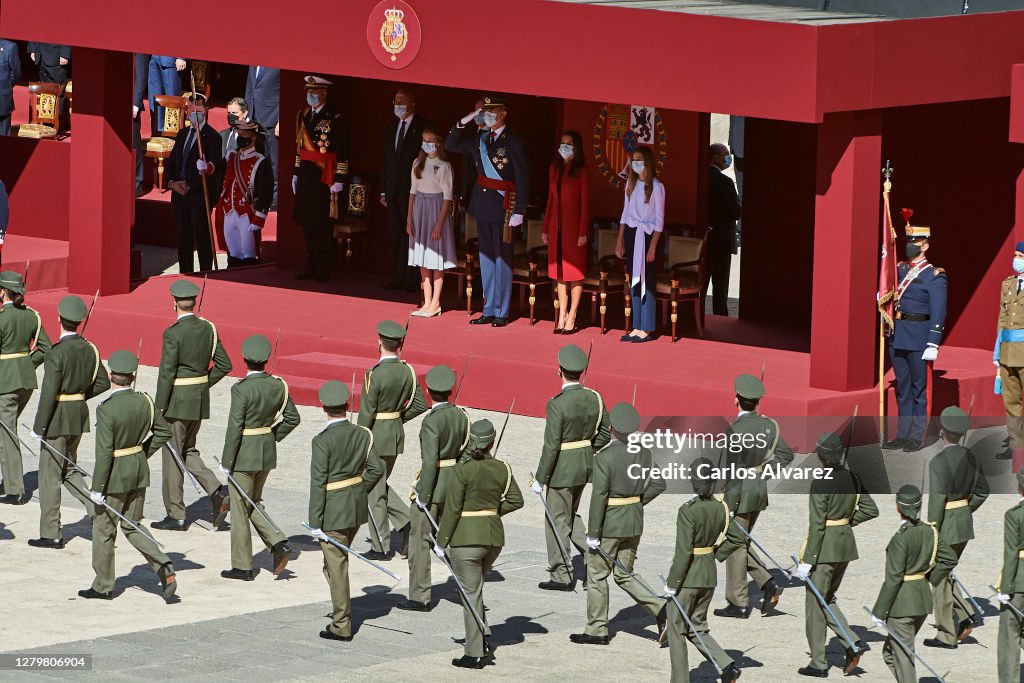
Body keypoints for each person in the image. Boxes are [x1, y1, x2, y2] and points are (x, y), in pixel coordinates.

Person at [80, 350, 176, 602]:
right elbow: (163, 432)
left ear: (111, 375)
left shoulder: (107, 408)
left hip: (114, 478)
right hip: (138, 470)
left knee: (103, 530)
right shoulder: (145, 400)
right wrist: (142, 452)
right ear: (133, 376)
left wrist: (97, 487)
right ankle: (163, 564)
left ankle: (103, 585)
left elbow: (104, 453)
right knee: (133, 525)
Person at [570, 402, 665, 645]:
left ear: (611, 427)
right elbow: (658, 484)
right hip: (633, 520)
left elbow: (599, 496)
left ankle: (597, 629)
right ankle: (661, 609)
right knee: (624, 574)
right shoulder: (644, 453)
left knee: (597, 574)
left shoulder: (605, 457)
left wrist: (594, 532)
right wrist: (636, 503)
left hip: (610, 524)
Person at [435, 418, 524, 669]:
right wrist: (491, 512)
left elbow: (452, 509)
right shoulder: (502, 468)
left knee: (469, 593)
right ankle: (482, 636)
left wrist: (442, 540)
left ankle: (475, 652)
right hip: (493, 538)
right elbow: (516, 500)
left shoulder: (462, 470)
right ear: (492, 441)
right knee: (474, 589)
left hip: (466, 540)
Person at [793, 432, 879, 677]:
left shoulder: (820, 482)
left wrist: (807, 561)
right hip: (845, 546)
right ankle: (852, 641)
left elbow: (817, 525)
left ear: (820, 456)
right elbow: (870, 510)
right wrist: (845, 523)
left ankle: (819, 663)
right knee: (827, 599)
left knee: (815, 606)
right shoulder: (853, 478)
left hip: (825, 551)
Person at [28, 295, 110, 549]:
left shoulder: (56, 352)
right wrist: (80, 396)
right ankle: (97, 510)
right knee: (69, 469)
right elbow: (104, 382)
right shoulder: (90, 349)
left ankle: (51, 532)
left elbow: (49, 392)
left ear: (59, 319)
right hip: (78, 415)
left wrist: (39, 427)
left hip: (57, 419)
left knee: (50, 476)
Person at [151, 280, 232, 531]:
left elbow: (167, 374)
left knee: (173, 455)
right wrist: (202, 385)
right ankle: (217, 490)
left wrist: (159, 408)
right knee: (188, 449)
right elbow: (224, 365)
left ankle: (176, 514)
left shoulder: (173, 333)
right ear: (193, 303)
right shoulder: (209, 328)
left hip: (176, 402)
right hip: (197, 400)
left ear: (173, 303)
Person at [308, 380, 385, 641]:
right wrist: (359, 490)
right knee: (333, 565)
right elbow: (376, 469)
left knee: (337, 566)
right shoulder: (363, 434)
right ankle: (342, 608)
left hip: (333, 512)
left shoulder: (321, 441)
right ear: (347, 405)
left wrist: (314, 521)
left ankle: (341, 624)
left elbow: (318, 483)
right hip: (354, 508)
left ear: (324, 408)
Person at [219, 334, 300, 581]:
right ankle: (277, 544)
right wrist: (271, 436)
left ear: (244, 359)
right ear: (267, 360)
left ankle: (244, 565)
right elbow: (293, 418)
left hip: (244, 454)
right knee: (252, 501)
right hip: (265, 452)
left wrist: (227, 461)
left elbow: (235, 428)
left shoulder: (241, 389)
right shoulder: (278, 385)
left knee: (241, 508)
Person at [445, 95, 529, 328]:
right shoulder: (479, 139)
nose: (488, 115)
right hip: (482, 205)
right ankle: (489, 308)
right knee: (487, 259)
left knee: (502, 259)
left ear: (504, 113)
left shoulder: (514, 142)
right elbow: (450, 145)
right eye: (485, 111)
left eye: (493, 111)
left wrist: (519, 209)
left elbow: (523, 178)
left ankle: (502, 310)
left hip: (505, 207)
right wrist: (466, 119)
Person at [715, 373, 793, 619]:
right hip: (758, 490)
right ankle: (767, 584)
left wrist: (727, 499)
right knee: (741, 539)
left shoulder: (734, 430)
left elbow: (731, 469)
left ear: (736, 399)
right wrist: (761, 474)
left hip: (739, 492)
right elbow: (785, 455)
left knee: (734, 544)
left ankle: (738, 603)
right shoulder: (769, 425)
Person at [533, 344, 610, 591]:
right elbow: (605, 434)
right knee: (571, 517)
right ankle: (593, 559)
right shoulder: (594, 397)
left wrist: (541, 477)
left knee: (556, 520)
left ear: (559, 371)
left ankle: (561, 574)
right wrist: (587, 449)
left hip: (561, 470)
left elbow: (551, 445)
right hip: (584, 466)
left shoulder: (557, 404)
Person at [662, 457, 744, 683]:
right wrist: (714, 554)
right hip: (708, 575)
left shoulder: (687, 510)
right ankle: (727, 665)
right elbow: (737, 538)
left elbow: (683, 552)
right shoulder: (721, 508)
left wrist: (672, 583)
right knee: (697, 626)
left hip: (688, 578)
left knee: (677, 629)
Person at [399, 365, 471, 612]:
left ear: (428, 390)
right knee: (452, 538)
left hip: (434, 484)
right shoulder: (461, 415)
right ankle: (468, 587)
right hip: (454, 483)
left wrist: (422, 494)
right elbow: (468, 450)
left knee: (419, 541)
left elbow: (430, 462)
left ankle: (420, 596)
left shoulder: (431, 421)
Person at [868, 485, 957, 683]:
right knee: (890, 653)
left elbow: (893, 579)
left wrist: (879, 612)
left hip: (902, 605)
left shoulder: (901, 538)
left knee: (903, 658)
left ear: (898, 507)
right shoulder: (930, 531)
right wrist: (928, 578)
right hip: (921, 600)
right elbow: (949, 559)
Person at [357, 320, 427, 559]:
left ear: (380, 342)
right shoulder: (407, 371)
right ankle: (406, 522)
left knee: (372, 492)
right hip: (395, 435)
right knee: (378, 483)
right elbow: (420, 403)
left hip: (376, 436)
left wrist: (357, 442)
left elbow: (366, 413)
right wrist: (397, 419)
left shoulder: (373, 374)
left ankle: (381, 546)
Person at [924, 405, 989, 649]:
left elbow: (937, 502)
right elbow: (983, 491)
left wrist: (932, 532)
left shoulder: (939, 462)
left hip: (947, 527)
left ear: (942, 431)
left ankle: (946, 633)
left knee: (938, 576)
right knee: (945, 571)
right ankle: (964, 615)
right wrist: (965, 509)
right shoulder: (972, 457)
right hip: (963, 523)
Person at [883, 215, 946, 453]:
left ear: (925, 245)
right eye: (908, 240)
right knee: (903, 387)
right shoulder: (898, 269)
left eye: (915, 241)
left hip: (920, 337)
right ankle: (902, 433)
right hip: (898, 334)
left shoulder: (934, 275)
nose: (910, 244)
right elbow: (887, 291)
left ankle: (916, 436)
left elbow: (939, 311)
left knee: (920, 390)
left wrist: (933, 342)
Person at [0, 271, 50, 505]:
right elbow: (44, 348)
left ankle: (15, 489)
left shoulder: (2, 318)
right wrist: (25, 364)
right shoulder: (32, 316)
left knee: (7, 433)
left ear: (2, 292)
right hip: (25, 382)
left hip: (5, 383)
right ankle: (8, 478)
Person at [292, 75, 348, 282]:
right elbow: (299, 147)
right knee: (307, 223)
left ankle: (323, 268)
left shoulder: (335, 117)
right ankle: (311, 265)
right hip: (307, 175)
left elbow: (342, 150)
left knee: (322, 225)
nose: (310, 96)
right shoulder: (304, 115)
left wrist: (340, 178)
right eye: (308, 92)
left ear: (325, 93)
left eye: (314, 92)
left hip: (325, 176)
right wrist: (296, 173)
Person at [165, 93, 223, 274]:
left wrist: (190, 185)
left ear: (204, 111)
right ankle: (185, 272)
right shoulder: (182, 134)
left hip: (198, 196)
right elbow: (172, 161)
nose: (194, 113)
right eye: (191, 109)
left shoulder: (212, 137)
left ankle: (205, 273)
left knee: (202, 238)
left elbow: (213, 167)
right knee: (183, 239)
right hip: (179, 195)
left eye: (197, 109)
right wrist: (172, 182)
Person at [205, 120, 273, 267]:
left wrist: (259, 217)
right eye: (239, 134)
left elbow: (266, 192)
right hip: (228, 211)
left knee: (248, 254)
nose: (240, 137)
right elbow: (218, 166)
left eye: (244, 134)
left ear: (253, 137)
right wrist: (207, 166)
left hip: (246, 213)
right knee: (233, 254)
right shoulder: (231, 156)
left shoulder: (260, 161)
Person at [383, 89, 431, 292]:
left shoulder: (423, 127)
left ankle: (413, 279)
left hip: (413, 191)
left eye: (403, 101)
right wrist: (384, 191)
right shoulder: (391, 126)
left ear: (413, 103)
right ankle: (397, 276)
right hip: (393, 191)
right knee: (397, 235)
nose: (398, 104)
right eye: (396, 101)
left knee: (413, 234)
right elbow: (387, 160)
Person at [543, 131, 590, 334]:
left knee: (575, 273)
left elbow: (586, 204)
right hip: (556, 228)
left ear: (576, 148)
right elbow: (550, 201)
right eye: (562, 143)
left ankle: (572, 315)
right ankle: (561, 314)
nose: (564, 147)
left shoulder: (582, 170)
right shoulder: (555, 168)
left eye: (569, 144)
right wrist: (545, 228)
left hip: (574, 229)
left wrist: (583, 231)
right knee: (559, 273)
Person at [616, 146, 665, 343]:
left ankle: (647, 327)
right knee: (634, 279)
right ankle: (636, 326)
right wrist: (619, 240)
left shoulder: (657, 186)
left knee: (647, 281)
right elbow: (625, 214)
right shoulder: (630, 182)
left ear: (647, 162)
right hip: (631, 233)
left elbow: (660, 221)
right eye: (633, 159)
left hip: (647, 235)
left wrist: (652, 247)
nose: (635, 163)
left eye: (639, 159)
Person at [407, 126, 455, 317]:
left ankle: (436, 302)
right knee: (423, 259)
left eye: (430, 141)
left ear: (438, 143)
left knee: (436, 259)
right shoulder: (417, 162)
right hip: (420, 209)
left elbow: (447, 198)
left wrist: (438, 224)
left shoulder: (444, 166)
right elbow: (412, 192)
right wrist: (409, 218)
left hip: (435, 211)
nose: (426, 144)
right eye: (423, 140)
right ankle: (426, 302)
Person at [995, 241, 1024, 470]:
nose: (1016, 259)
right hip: (1007, 352)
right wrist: (998, 349)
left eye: (1020, 256)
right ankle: (1017, 445)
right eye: (1015, 255)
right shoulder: (1008, 284)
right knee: (1011, 402)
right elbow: (1002, 319)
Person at [994, 467, 1024, 682]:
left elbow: (1011, 553)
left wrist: (1006, 588)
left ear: (1018, 488)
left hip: (1020, 581)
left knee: (1009, 634)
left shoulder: (1014, 515)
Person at [705, 143, 741, 317]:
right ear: (715, 158)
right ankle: (720, 320)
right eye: (726, 155)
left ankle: (696, 315)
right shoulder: (725, 182)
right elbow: (735, 211)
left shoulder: (699, 177)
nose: (729, 158)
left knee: (701, 283)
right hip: (722, 241)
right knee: (720, 288)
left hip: (703, 240)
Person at [245, 65, 280, 204]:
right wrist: (247, 114)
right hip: (255, 118)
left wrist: (280, 120)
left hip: (272, 117)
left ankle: (275, 197)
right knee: (259, 159)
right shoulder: (253, 64)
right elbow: (250, 89)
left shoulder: (278, 66)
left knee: (274, 161)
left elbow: (285, 91)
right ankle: (261, 193)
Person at [147, 55, 185, 134]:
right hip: (154, 57)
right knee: (155, 101)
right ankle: (157, 135)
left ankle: (173, 139)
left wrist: (182, 57)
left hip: (171, 59)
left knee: (173, 103)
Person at [132, 53, 150, 196]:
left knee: (134, 144)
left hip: (132, 106)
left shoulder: (139, 51)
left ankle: (137, 182)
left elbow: (141, 76)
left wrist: (136, 104)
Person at [0, 38, 21, 136]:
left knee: (4, 136)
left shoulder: (10, 47)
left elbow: (16, 72)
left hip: (2, 96)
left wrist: (7, 84)